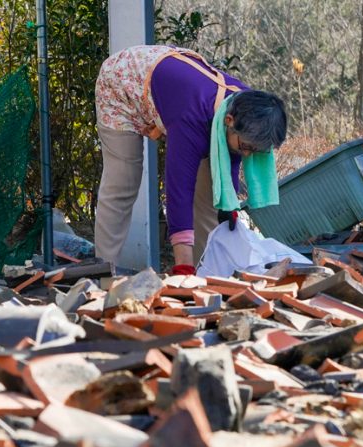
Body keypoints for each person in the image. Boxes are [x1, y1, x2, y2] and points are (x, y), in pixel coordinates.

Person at [94, 45, 288, 275]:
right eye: (246, 147)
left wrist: (229, 212)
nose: (247, 155)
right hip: (122, 82)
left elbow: (225, 176)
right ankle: (101, 273)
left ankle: (208, 274)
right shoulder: (191, 117)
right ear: (228, 120)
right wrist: (182, 267)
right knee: (123, 182)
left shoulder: (248, 106)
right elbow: (178, 191)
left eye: (255, 151)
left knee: (209, 199)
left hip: (177, 87)